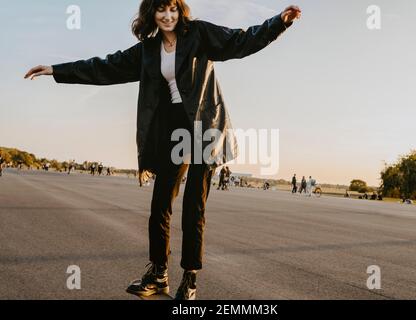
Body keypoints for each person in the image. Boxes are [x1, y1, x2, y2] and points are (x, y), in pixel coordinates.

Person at [24, 0, 301, 300]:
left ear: (179, 10)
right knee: (160, 206)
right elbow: (104, 66)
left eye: (172, 8)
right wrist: (55, 70)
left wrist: (278, 23)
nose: (167, 16)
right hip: (172, 130)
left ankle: (190, 280)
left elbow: (241, 41)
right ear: (151, 14)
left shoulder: (199, 33)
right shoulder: (147, 50)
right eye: (160, 10)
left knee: (194, 208)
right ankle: (159, 275)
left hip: (205, 126)